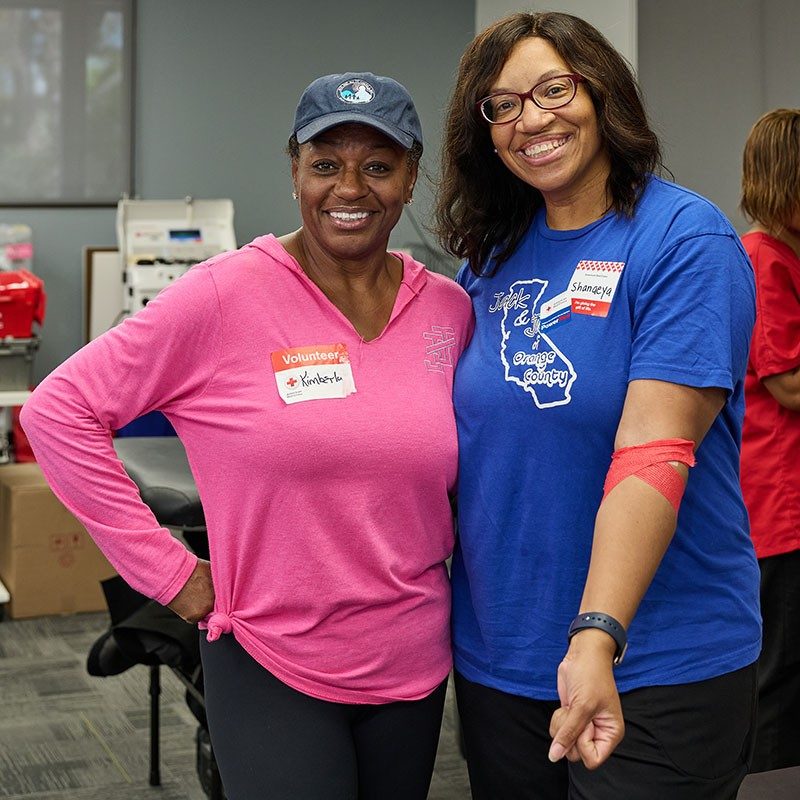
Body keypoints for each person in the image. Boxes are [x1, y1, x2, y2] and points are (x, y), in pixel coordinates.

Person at [21, 71, 472, 799]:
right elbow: (57, 413)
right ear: (294, 170)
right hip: (271, 657)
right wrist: (170, 575)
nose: (349, 188)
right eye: (326, 164)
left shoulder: (448, 312)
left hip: (411, 661)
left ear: (411, 178)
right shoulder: (224, 295)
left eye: (378, 166)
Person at [435, 12, 760, 799]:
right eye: (502, 105)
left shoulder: (684, 241)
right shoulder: (493, 258)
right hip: (503, 660)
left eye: (554, 89)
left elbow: (655, 452)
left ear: (603, 93)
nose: (531, 119)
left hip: (656, 660)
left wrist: (595, 636)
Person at [739, 108, 800, 774]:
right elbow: (786, 385)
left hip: (788, 502)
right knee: (778, 677)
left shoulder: (785, 257)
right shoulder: (763, 261)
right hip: (777, 505)